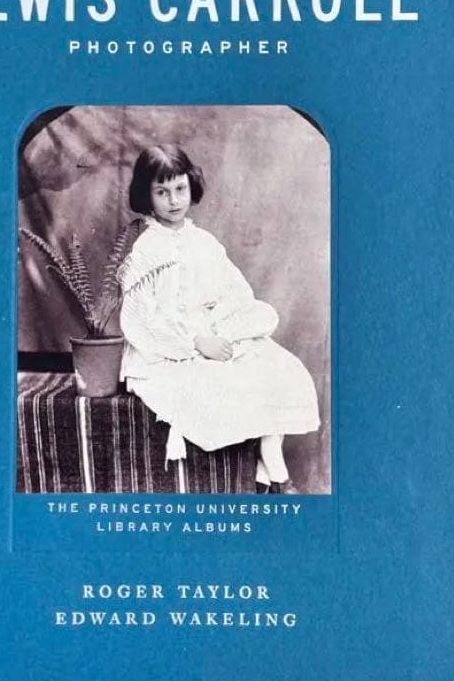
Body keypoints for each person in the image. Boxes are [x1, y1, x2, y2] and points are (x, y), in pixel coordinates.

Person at [118, 144, 320, 494]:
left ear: (191, 186)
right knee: (220, 387)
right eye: (162, 192)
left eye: (180, 188)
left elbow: (235, 293)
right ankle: (276, 478)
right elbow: (141, 319)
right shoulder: (146, 249)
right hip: (165, 352)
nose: (173, 200)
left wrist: (221, 330)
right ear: (147, 195)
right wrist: (195, 342)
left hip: (212, 334)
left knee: (279, 366)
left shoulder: (204, 242)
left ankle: (268, 461)